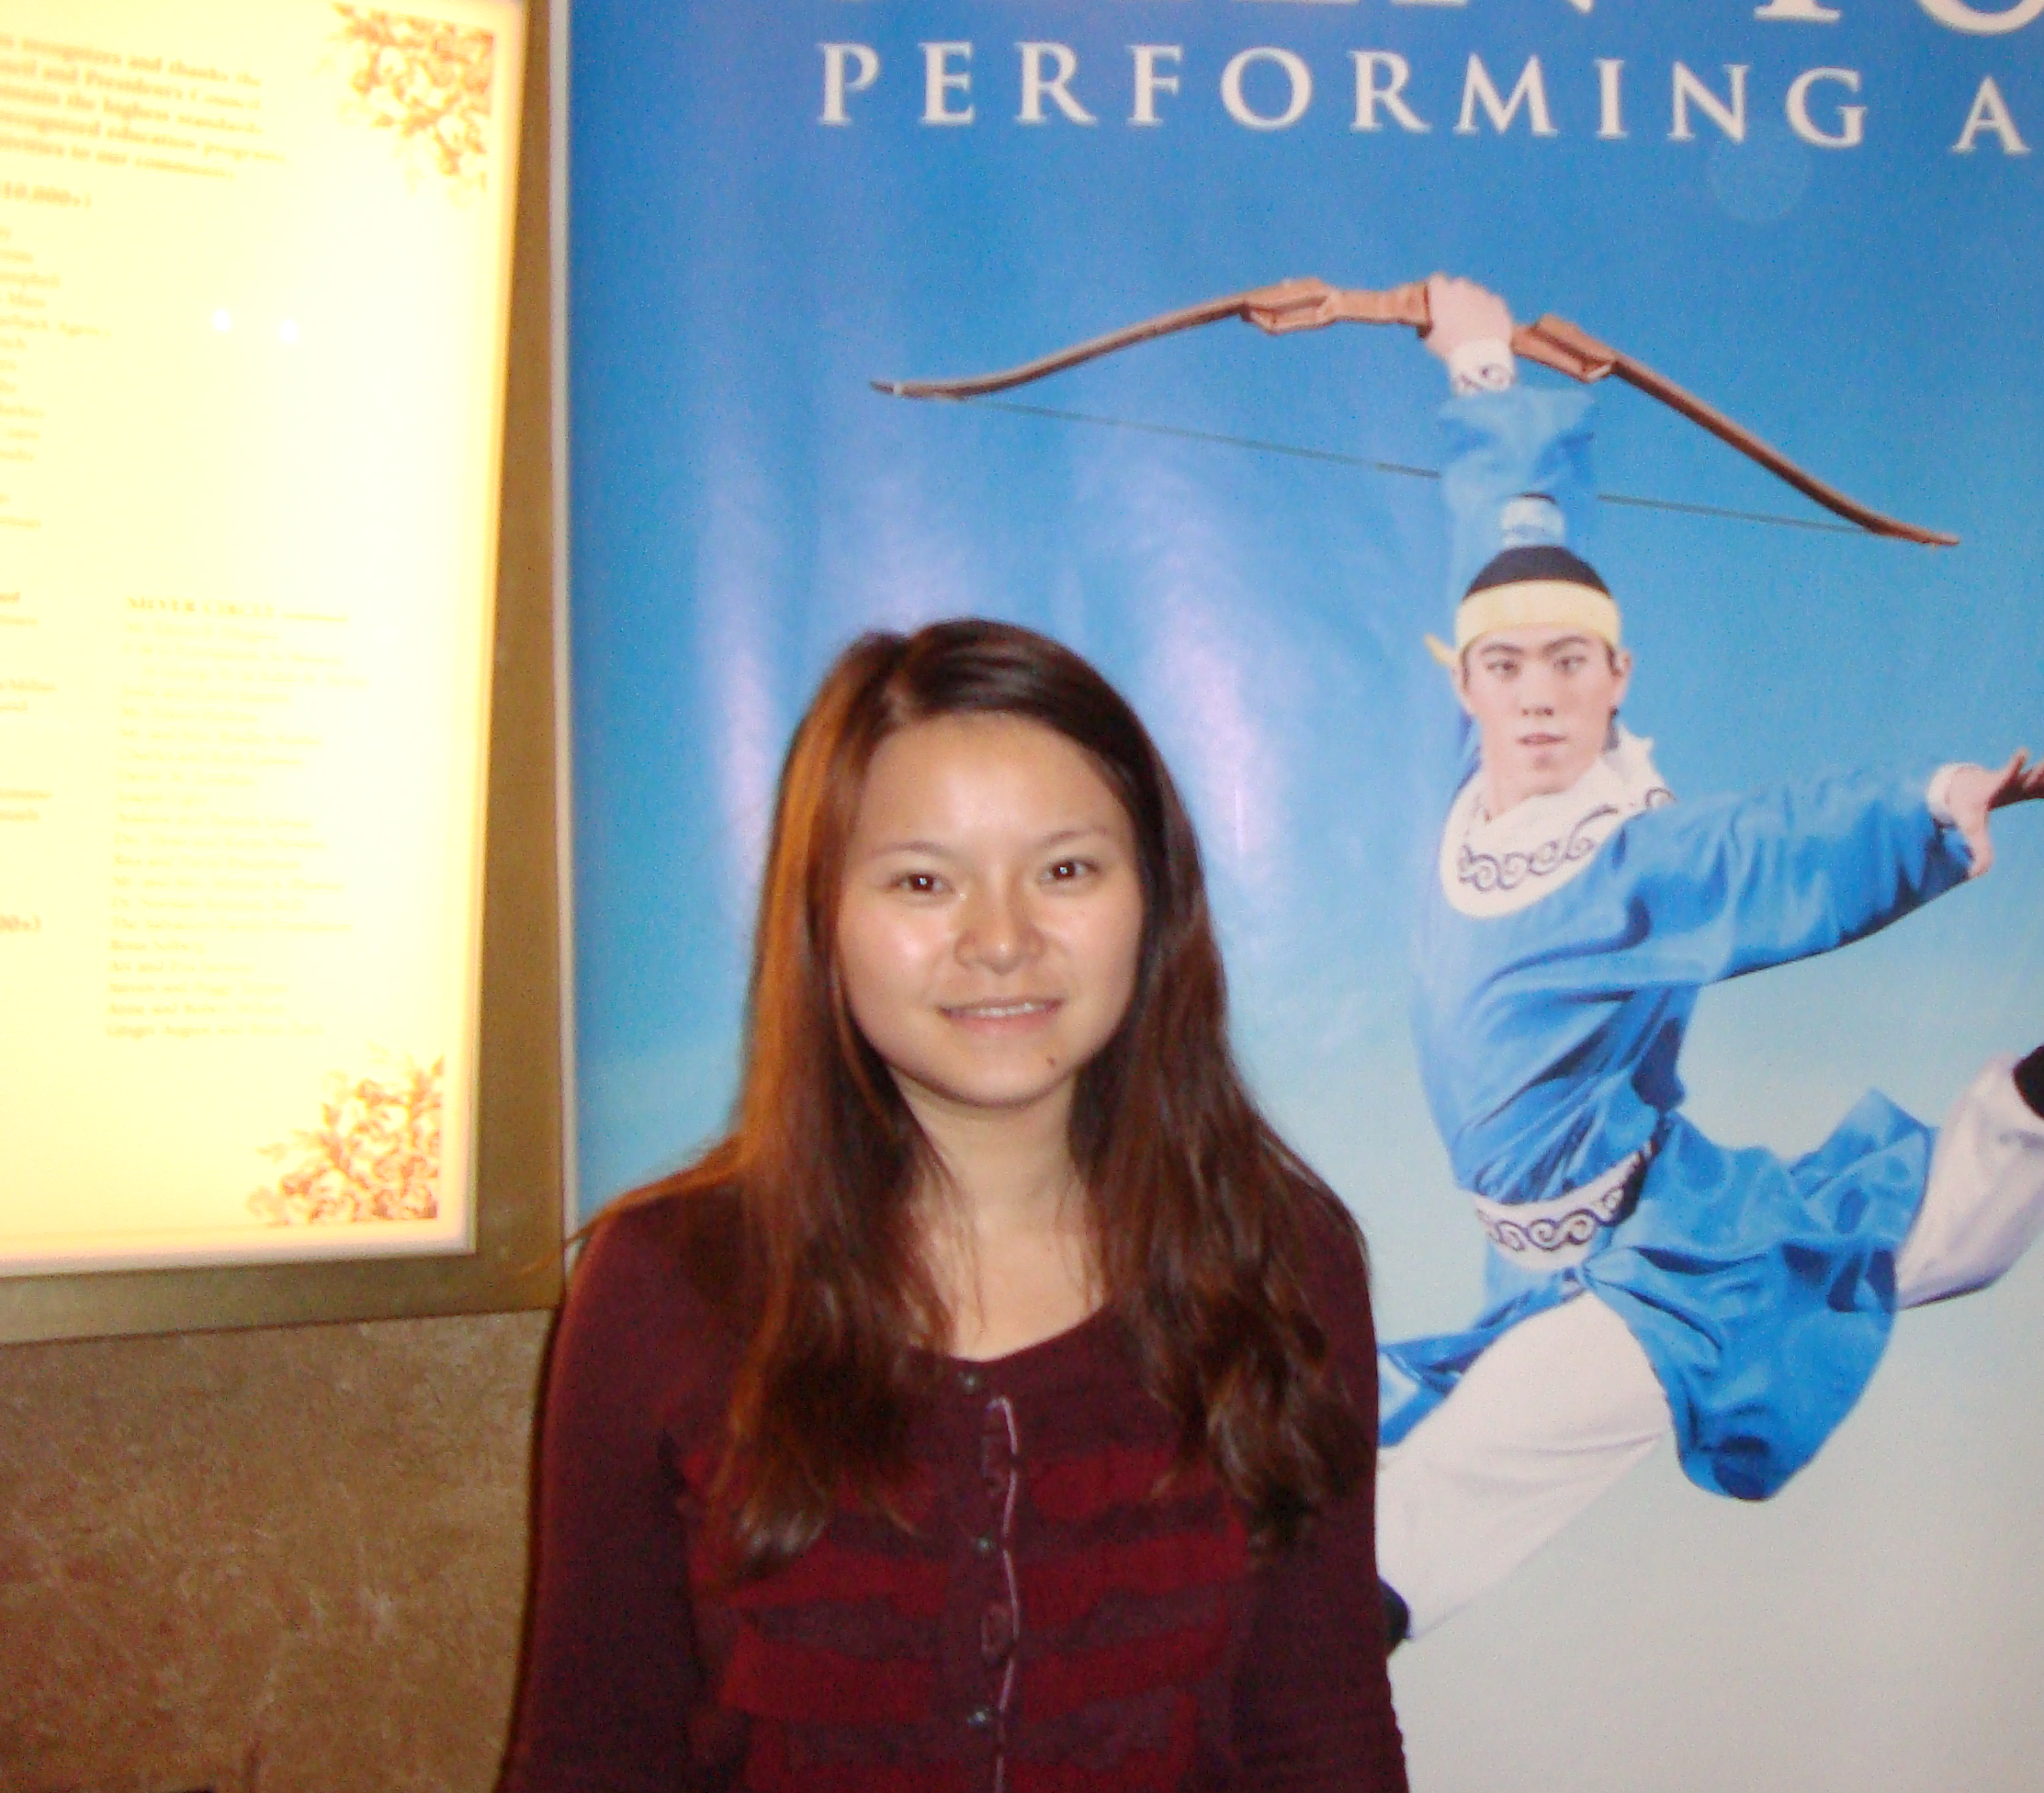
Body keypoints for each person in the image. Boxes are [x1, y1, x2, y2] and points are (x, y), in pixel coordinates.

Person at [1373, 277, 2044, 1641]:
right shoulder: (1465, 782)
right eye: (1508, 669)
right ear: (1466, 682)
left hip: (1642, 1279)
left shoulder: (1634, 860)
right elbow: (1514, 530)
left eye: (1571, 666)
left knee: (1424, 1519)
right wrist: (1479, 359)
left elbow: (1772, 850)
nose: (1537, 696)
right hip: (1552, 1258)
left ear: (1618, 677)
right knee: (1907, 1230)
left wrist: (1933, 803)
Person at [505, 621, 1407, 1793]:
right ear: (824, 916)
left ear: (1156, 900)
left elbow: (1323, 1734)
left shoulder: (1277, 1260)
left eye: (1066, 871)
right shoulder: (665, 1281)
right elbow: (592, 1755)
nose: (1000, 942)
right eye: (923, 882)